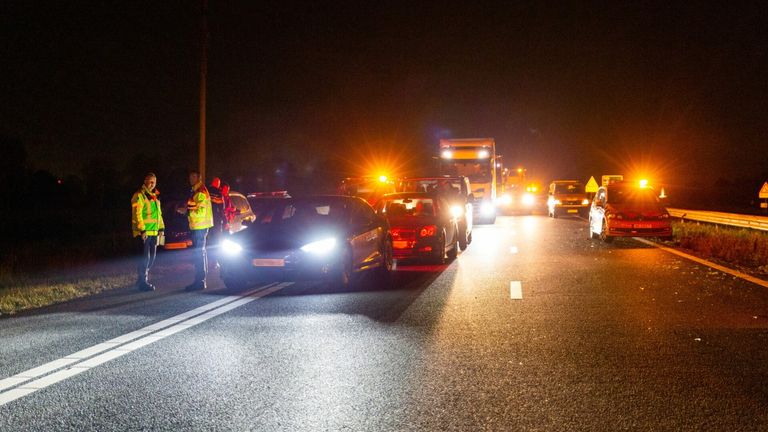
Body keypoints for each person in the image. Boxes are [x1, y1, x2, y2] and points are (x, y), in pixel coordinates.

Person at [131, 172, 164, 291]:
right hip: (144, 232)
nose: (151, 184)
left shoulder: (155, 196)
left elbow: (158, 214)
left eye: (153, 182)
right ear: (145, 181)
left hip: (154, 232)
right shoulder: (139, 195)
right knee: (145, 258)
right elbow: (137, 214)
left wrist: (161, 228)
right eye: (149, 181)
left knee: (152, 258)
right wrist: (142, 229)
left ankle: (141, 279)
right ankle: (143, 281)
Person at [180, 170, 213, 291]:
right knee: (200, 253)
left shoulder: (200, 192)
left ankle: (200, 281)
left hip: (200, 226)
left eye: (193, 177)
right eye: (190, 177)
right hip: (198, 226)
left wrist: (186, 212)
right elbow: (196, 207)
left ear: (199, 178)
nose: (191, 179)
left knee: (199, 254)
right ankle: (200, 280)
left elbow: (200, 211)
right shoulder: (196, 190)